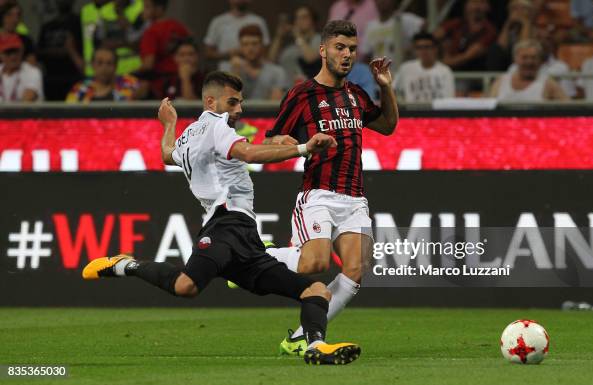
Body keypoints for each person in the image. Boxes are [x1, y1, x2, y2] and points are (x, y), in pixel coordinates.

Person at [82, 70, 361, 366]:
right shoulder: (218, 125)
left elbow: (166, 154)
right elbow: (248, 154)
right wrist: (303, 148)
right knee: (185, 286)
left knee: (315, 290)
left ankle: (315, 345)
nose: (239, 109)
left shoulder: (191, 134)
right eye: (233, 102)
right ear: (212, 103)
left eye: (240, 103)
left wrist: (169, 124)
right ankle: (127, 265)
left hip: (245, 237)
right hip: (225, 225)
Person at [263, 20, 398, 356]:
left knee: (355, 271)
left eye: (352, 48)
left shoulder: (356, 94)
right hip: (318, 193)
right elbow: (272, 140)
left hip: (354, 198)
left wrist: (386, 87)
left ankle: (299, 338)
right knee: (315, 264)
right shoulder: (302, 94)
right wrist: (304, 144)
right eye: (340, 47)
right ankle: (254, 256)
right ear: (323, 50)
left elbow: (388, 126)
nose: (347, 54)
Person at [138, 0, 190, 98]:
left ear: (159, 9)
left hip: (160, 86)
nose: (143, 11)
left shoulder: (151, 31)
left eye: (147, 7)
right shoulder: (178, 26)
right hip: (183, 80)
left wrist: (131, 74)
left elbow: (149, 64)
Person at [219, 25, 286, 100]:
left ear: (262, 46)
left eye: (254, 44)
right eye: (245, 44)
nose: (250, 48)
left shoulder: (276, 72)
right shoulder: (231, 71)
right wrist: (236, 73)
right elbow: (230, 105)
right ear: (240, 47)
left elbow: (275, 105)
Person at [489, 39, 567, 101]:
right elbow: (489, 106)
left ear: (540, 60)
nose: (529, 62)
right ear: (515, 60)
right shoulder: (502, 81)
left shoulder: (548, 84)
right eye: (524, 57)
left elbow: (567, 107)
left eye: (533, 57)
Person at [37, 0, 84, 101]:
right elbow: (39, 52)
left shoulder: (79, 23)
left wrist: (69, 51)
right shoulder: (47, 26)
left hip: (73, 78)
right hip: (50, 79)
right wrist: (63, 51)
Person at [434, 0, 496, 72]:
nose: (476, 7)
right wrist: (442, 49)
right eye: (473, 2)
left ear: (488, 7)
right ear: (466, 5)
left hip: (471, 74)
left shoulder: (489, 31)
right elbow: (432, 38)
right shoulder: (457, 23)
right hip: (447, 68)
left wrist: (442, 63)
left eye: (481, 2)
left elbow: (466, 57)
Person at [394, 31, 455, 102]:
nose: (423, 51)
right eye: (419, 48)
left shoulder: (445, 71)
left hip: (437, 112)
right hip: (411, 111)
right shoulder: (405, 68)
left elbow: (450, 98)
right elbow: (393, 89)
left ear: (435, 49)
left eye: (427, 47)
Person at [269, 6, 321, 87]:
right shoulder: (291, 45)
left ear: (313, 20)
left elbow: (310, 58)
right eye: (297, 18)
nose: (299, 21)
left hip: (311, 91)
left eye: (304, 17)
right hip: (288, 91)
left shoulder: (319, 39)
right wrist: (279, 37)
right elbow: (271, 61)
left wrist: (298, 35)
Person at [204, 0, 270, 62]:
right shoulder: (218, 22)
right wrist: (229, 54)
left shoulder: (258, 22)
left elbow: (266, 53)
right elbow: (208, 53)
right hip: (226, 72)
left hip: (253, 72)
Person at [361, 0, 424, 64]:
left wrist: (412, 49)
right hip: (380, 72)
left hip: (403, 70)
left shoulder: (405, 19)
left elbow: (428, 28)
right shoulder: (370, 26)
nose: (382, 1)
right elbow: (366, 56)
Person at [66, 46, 138, 102]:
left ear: (115, 66)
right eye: (100, 63)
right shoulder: (79, 89)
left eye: (109, 63)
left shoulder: (129, 83)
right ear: (92, 65)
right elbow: (69, 115)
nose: (104, 68)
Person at [92, 0, 144, 75]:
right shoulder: (105, 10)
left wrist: (120, 13)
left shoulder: (141, 7)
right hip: (113, 71)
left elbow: (139, 41)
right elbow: (99, 41)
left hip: (137, 68)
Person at [486, 0, 535, 71]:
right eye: (515, 8)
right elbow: (500, 48)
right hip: (507, 64)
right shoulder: (509, 29)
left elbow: (524, 47)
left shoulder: (535, 28)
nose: (518, 12)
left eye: (523, 8)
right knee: (495, 50)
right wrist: (508, 23)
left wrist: (525, 23)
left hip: (526, 64)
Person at [0, 33, 43, 102]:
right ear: (0, 54)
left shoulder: (32, 71)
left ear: (22, 51)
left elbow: (26, 101)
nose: (13, 56)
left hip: (24, 112)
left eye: (16, 51)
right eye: (8, 52)